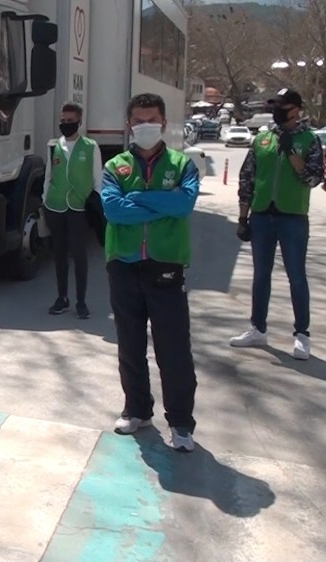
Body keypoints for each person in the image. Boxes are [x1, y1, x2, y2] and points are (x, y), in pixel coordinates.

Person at [100, 93, 200, 452]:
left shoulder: (182, 164)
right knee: (129, 343)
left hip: (166, 264)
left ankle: (181, 423)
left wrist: (138, 199)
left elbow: (185, 203)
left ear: (163, 122)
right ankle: (137, 409)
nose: (146, 126)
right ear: (129, 125)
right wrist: (161, 201)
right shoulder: (115, 166)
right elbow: (113, 210)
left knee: (173, 348)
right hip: (124, 263)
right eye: (139, 121)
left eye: (152, 120)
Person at [231, 89, 323, 360]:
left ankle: (302, 335)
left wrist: (292, 153)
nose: (277, 110)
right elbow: (247, 179)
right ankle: (257, 328)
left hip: (292, 217)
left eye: (282, 106)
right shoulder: (262, 138)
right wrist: (242, 217)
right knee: (261, 276)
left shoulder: (310, 140)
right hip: (262, 216)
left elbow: (314, 178)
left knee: (296, 276)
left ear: (295, 109)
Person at [42, 102, 102, 318]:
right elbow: (49, 176)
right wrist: (44, 199)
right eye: (63, 121)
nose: (66, 124)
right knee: (59, 254)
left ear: (79, 122)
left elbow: (97, 179)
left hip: (78, 206)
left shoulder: (90, 146)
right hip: (55, 206)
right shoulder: (53, 146)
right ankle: (62, 297)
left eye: (70, 121)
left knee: (79, 255)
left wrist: (95, 204)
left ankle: (81, 301)